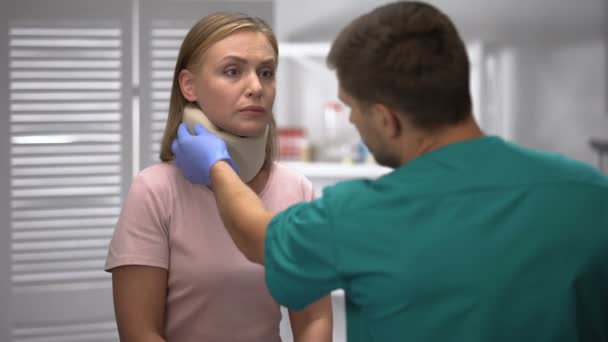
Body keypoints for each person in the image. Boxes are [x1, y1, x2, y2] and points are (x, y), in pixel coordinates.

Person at [172, 1, 608, 341]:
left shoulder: (356, 216)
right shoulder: (590, 192)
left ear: (387, 118)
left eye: (352, 108)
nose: (352, 122)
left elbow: (258, 238)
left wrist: (216, 164)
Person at [105, 12, 333, 342]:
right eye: (232, 71)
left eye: (266, 72)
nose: (256, 87)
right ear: (189, 86)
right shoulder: (155, 190)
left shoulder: (296, 189)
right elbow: (140, 333)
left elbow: (314, 319)